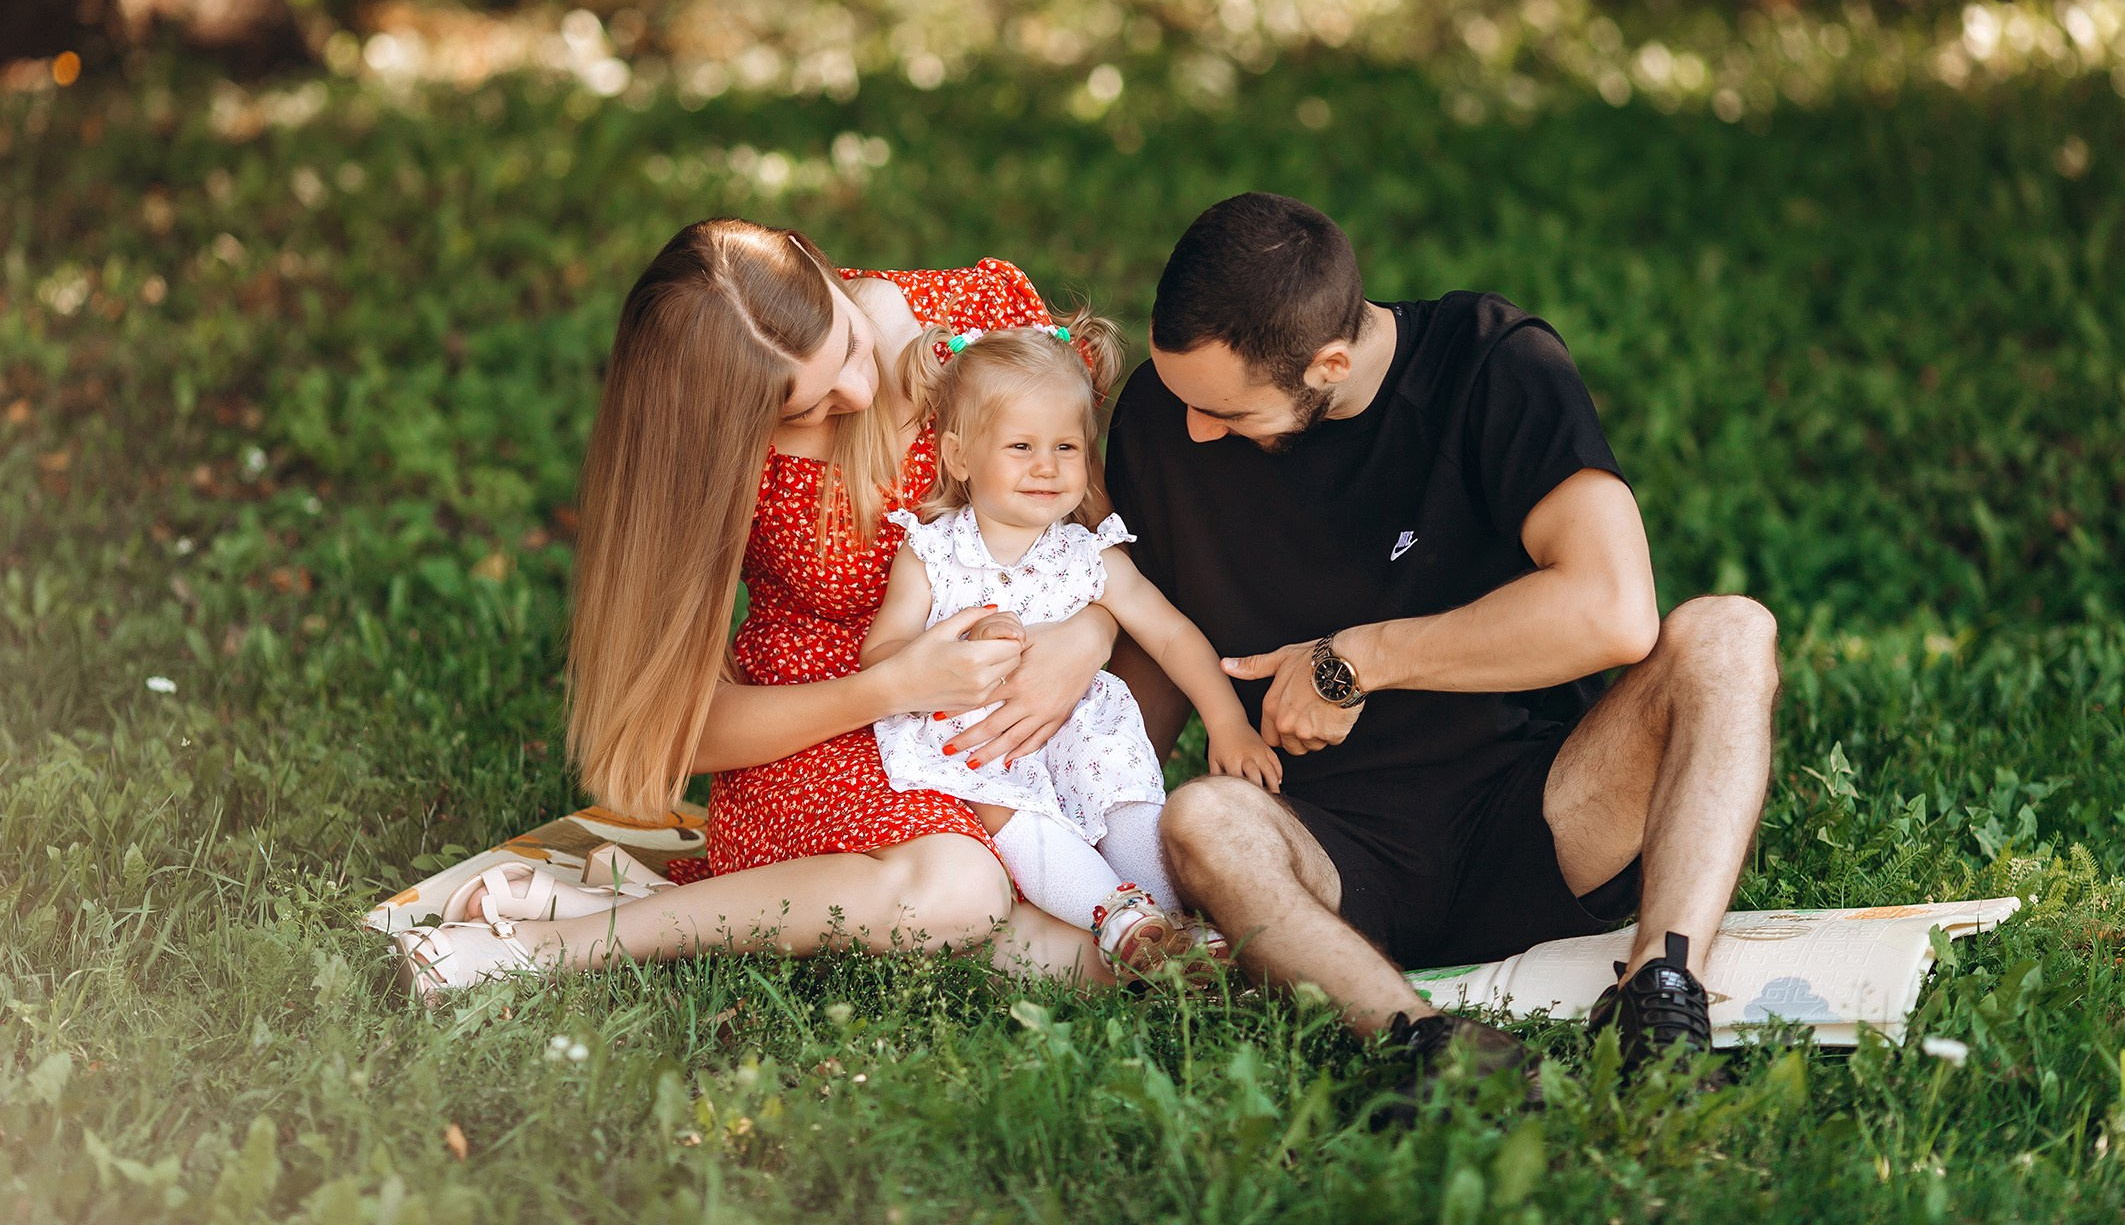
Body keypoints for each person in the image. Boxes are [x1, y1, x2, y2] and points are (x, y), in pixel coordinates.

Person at [1103, 192, 1779, 1094]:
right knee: (1201, 818)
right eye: (1181, 396)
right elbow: (1152, 638)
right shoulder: (1164, 415)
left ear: (1329, 365)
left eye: (1228, 413)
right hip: (1331, 856)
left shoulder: (1491, 363)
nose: (1192, 427)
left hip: (1539, 816)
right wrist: (1087, 831)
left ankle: (1662, 996)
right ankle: (1429, 1044)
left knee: (1729, 632)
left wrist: (1355, 660)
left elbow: (1614, 610)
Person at [394, 219, 1124, 994]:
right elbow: (676, 732)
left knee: (1096, 958)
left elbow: (1096, 540)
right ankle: (561, 946)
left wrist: (1089, 635)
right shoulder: (708, 459)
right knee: (964, 896)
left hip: (997, 727)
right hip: (820, 732)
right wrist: (889, 687)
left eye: (848, 346)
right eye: (807, 409)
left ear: (814, 258)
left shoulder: (976, 319)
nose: (858, 392)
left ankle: (678, 904)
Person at [860, 319, 1277, 973]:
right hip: (978, 738)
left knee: (1123, 792)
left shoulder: (1090, 555)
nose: (1046, 467)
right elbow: (880, 655)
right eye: (1021, 446)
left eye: (1066, 446)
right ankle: (1116, 915)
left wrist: (1226, 720)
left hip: (1078, 726)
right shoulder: (932, 553)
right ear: (959, 457)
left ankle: (1171, 921)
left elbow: (1170, 633)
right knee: (1010, 810)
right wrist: (957, 645)